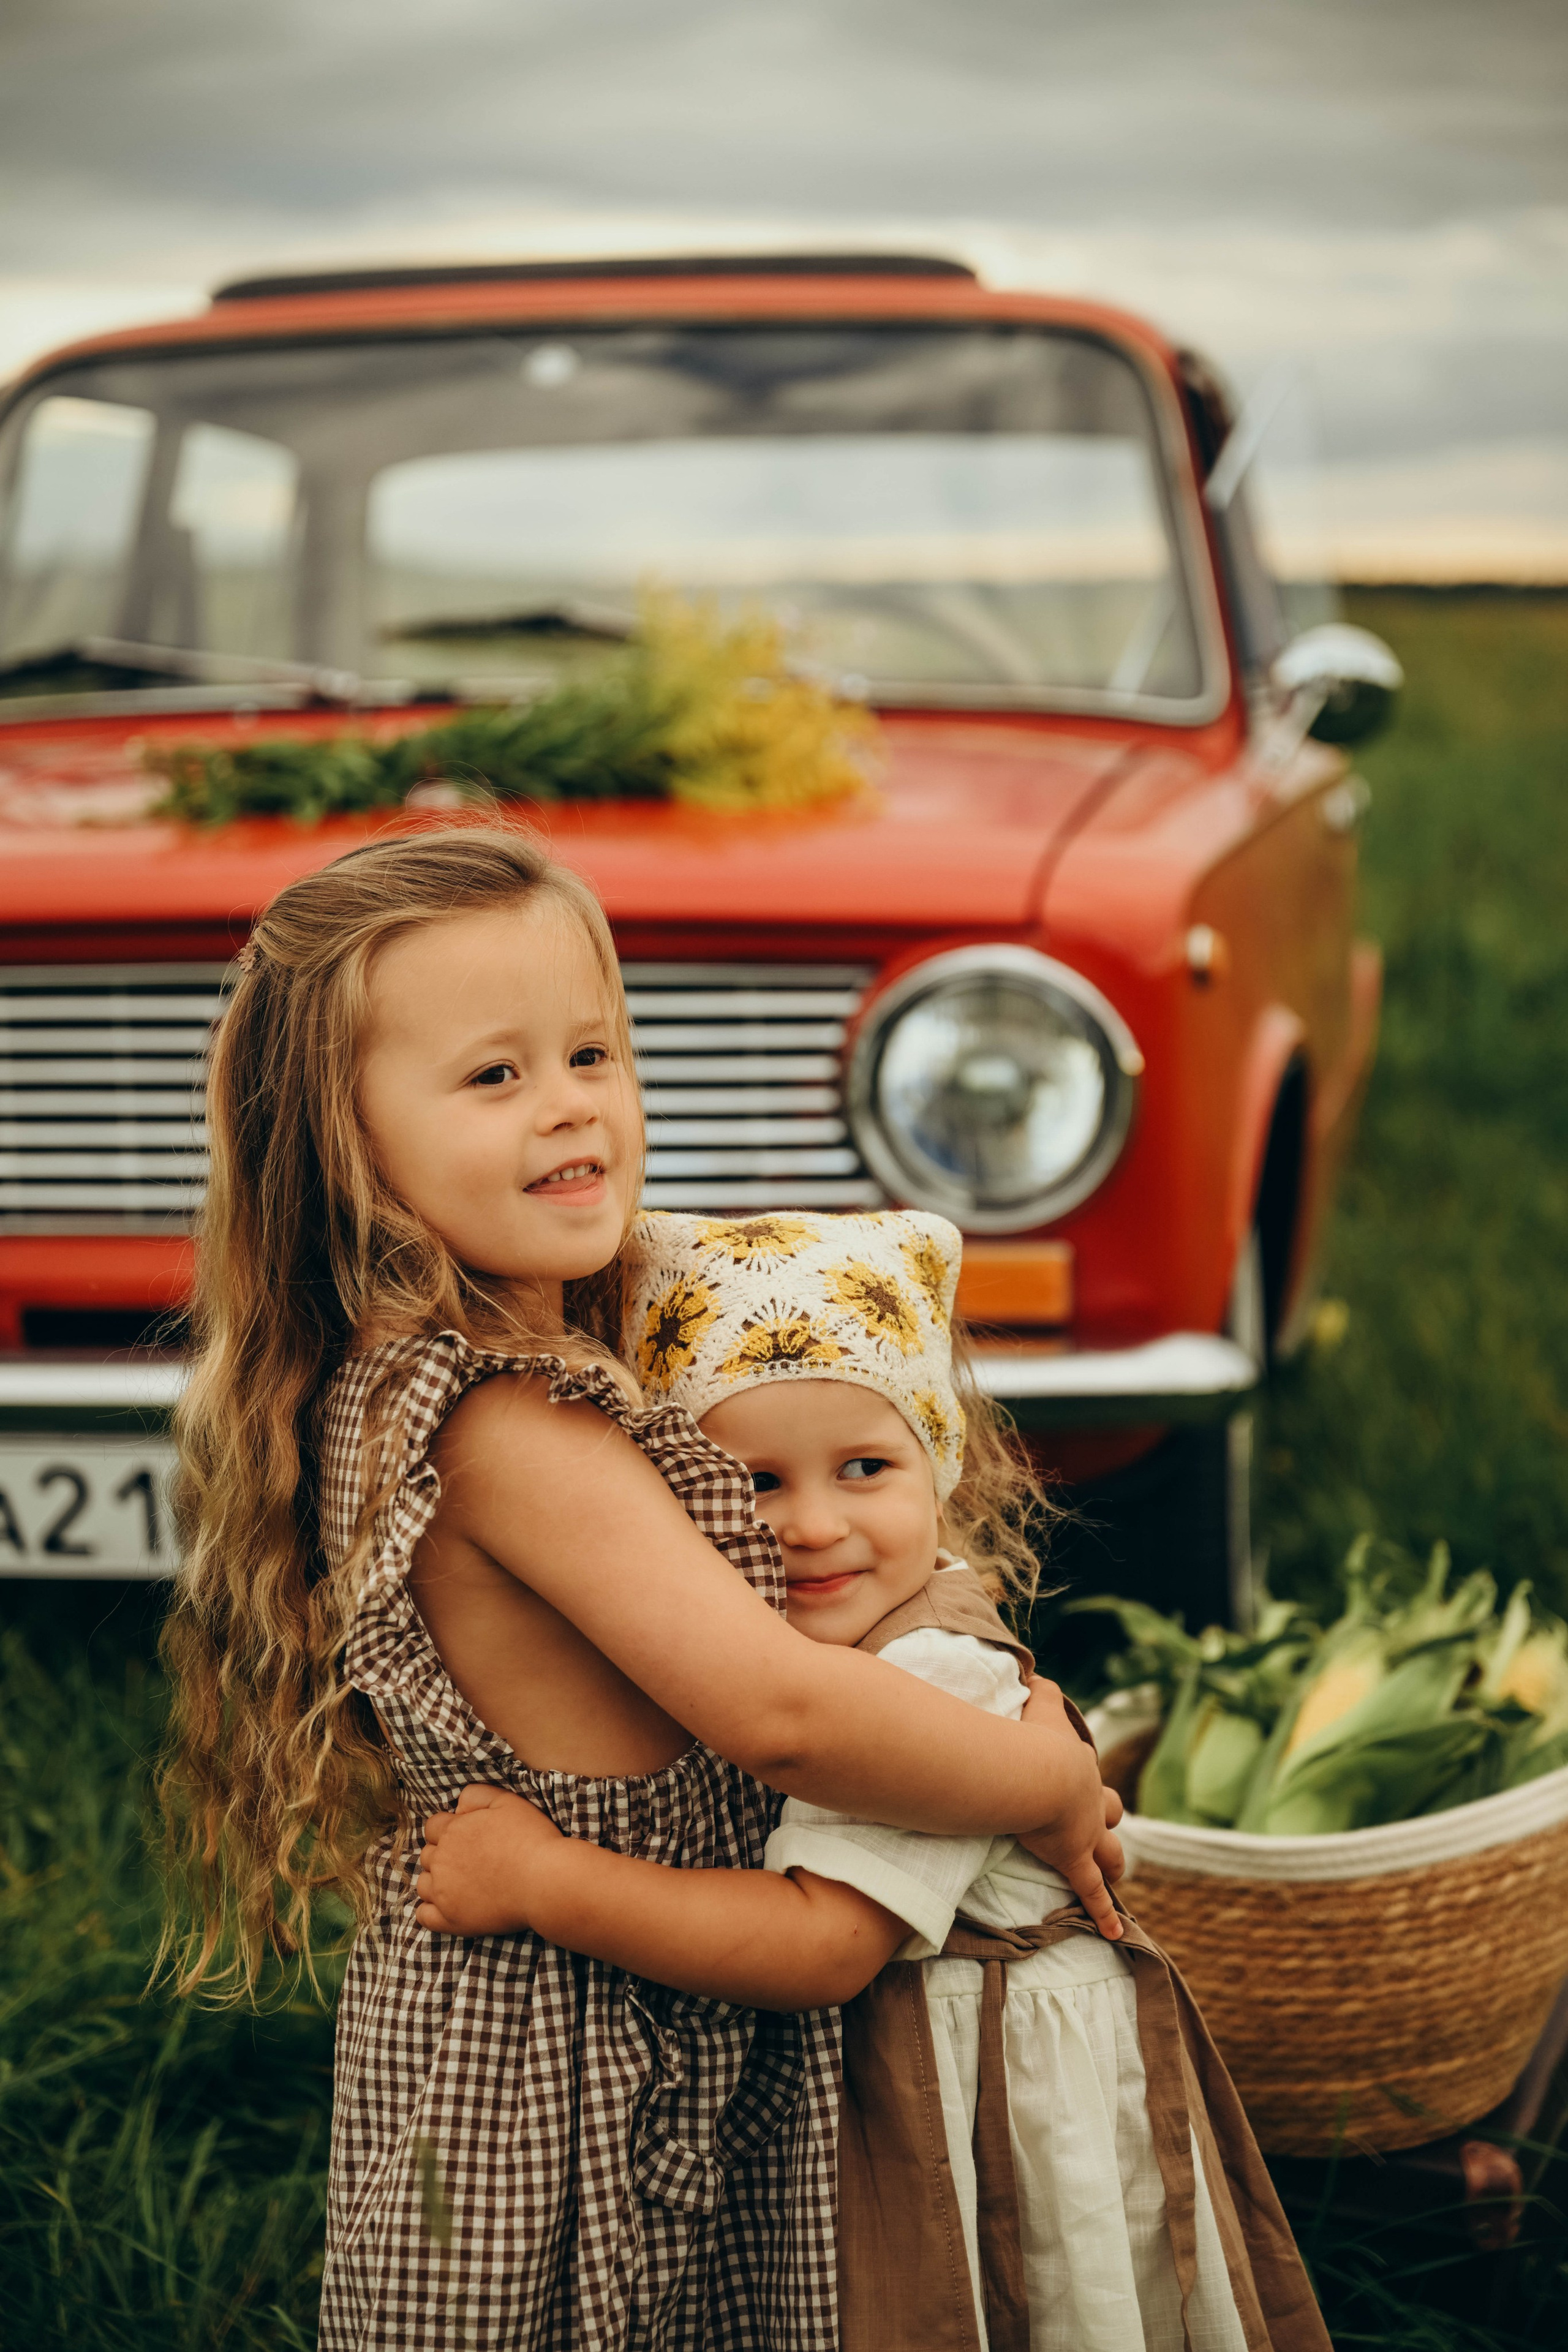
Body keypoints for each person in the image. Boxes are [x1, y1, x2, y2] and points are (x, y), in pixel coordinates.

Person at [156, 823, 1123, 2352]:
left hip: (581, 1994)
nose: (570, 1109)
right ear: (345, 1144)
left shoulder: (436, 1378)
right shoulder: (507, 1425)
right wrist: (1044, 1780)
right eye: (494, 1077)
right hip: (589, 2028)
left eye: (593, 1052)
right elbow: (781, 1715)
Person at [416, 1207, 1332, 2352]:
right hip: (913, 2078)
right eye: (755, 1481)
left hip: (988, 2106)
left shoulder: (928, 1671)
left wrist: (546, 1880)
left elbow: (820, 1945)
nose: (812, 1524)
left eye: (865, 1467)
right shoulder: (803, 1647)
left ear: (937, 1469)